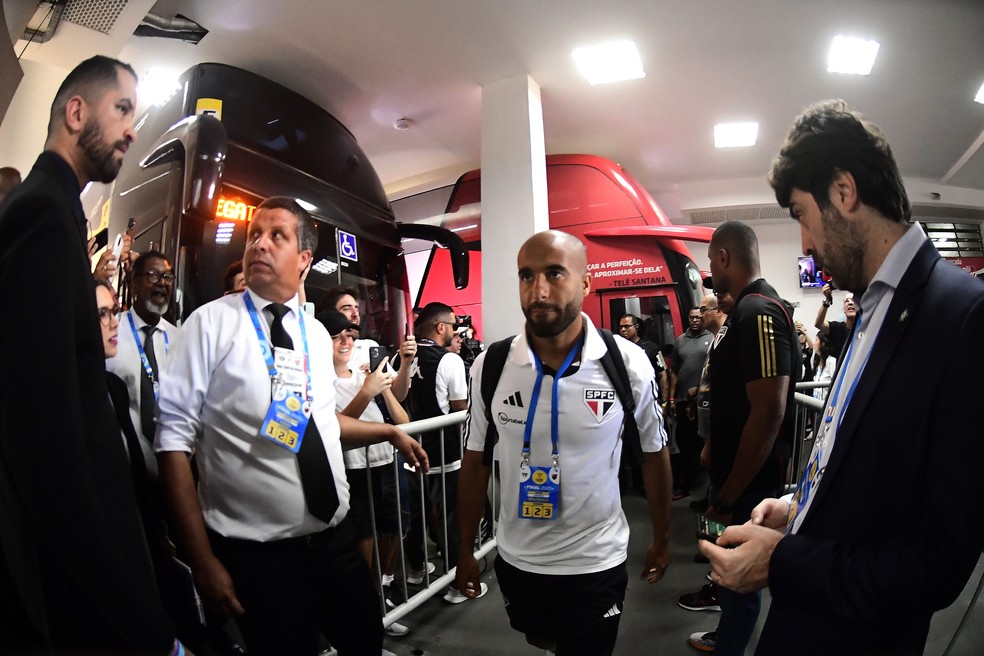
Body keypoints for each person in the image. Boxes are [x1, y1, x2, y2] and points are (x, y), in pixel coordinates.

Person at [702, 99, 984, 655]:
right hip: (806, 617)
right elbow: (865, 463)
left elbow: (937, 565)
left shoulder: (963, 317)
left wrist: (783, 561)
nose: (804, 244)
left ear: (843, 192)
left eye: (802, 217)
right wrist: (798, 506)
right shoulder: (870, 306)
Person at [156, 196, 427, 656]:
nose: (259, 244)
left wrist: (389, 432)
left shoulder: (315, 333)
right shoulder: (208, 326)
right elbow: (173, 446)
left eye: (276, 236)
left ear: (304, 259)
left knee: (364, 641)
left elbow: (319, 425)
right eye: (254, 235)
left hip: (336, 542)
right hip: (262, 559)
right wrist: (201, 560)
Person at [0, 55, 180, 655]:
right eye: (123, 109)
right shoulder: (43, 213)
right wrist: (118, 591)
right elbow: (46, 427)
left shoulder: (56, 210)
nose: (133, 127)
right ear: (76, 112)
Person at [455, 230, 672, 656]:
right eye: (526, 276)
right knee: (542, 639)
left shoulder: (626, 363)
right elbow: (475, 458)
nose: (538, 290)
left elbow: (654, 453)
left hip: (596, 561)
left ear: (586, 283)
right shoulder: (492, 365)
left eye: (555, 274)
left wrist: (663, 537)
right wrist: (464, 549)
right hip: (520, 559)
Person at [688, 221, 797, 655]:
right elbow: (735, 395)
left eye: (710, 261)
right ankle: (723, 626)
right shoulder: (742, 312)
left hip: (747, 485)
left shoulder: (760, 311)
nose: (710, 272)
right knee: (722, 560)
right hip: (727, 475)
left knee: (739, 576)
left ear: (723, 257)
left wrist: (729, 496)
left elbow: (769, 412)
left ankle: (730, 646)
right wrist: (714, 446)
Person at [323, 308, 412, 638]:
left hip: (384, 466)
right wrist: (366, 391)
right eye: (336, 335)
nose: (346, 340)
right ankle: (363, 625)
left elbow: (402, 421)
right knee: (360, 554)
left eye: (350, 333)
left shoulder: (364, 374)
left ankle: (377, 614)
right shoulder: (321, 380)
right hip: (353, 473)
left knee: (388, 537)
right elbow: (338, 428)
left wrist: (381, 383)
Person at [402, 301, 474, 604]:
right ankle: (458, 581)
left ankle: (417, 569)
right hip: (444, 452)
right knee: (451, 516)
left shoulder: (401, 356)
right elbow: (460, 408)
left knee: (416, 515)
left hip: (410, 451)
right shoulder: (450, 361)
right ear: (440, 327)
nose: (456, 331)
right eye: (453, 325)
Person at [106, 251, 181, 477]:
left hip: (172, 467)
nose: (162, 284)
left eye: (168, 277)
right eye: (153, 275)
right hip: (122, 467)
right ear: (133, 283)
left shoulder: (179, 338)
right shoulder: (112, 333)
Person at [321, 285, 416, 400]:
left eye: (356, 308)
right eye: (346, 308)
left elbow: (398, 396)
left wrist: (406, 364)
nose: (356, 314)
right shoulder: (323, 353)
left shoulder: (369, 347)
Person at [671, 307, 713, 500]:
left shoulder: (711, 338)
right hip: (682, 400)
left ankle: (707, 489)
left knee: (705, 441)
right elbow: (675, 372)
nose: (695, 320)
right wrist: (671, 397)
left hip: (703, 400)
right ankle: (685, 484)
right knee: (684, 442)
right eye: (692, 317)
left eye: (698, 317)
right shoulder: (680, 341)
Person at [814, 284, 856, 357]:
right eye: (847, 301)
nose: (850, 303)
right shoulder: (838, 328)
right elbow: (819, 324)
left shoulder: (867, 328)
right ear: (843, 309)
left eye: (853, 300)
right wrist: (827, 300)